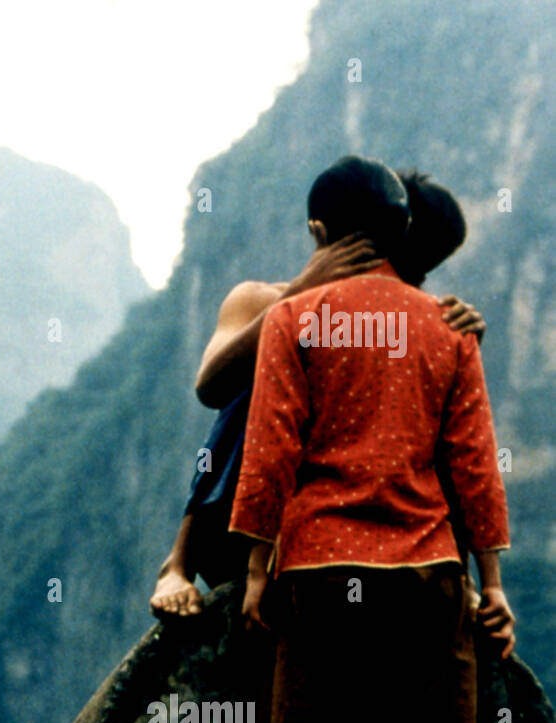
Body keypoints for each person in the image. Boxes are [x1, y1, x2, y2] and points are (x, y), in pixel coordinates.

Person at [221, 155, 515, 723]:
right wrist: (493, 590)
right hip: (428, 575)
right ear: (403, 232)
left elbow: (271, 450)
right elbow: (475, 468)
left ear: (320, 231)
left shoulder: (295, 317)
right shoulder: (448, 329)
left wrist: (257, 569)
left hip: (320, 570)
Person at [150, 172, 487, 618]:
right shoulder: (259, 299)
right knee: (266, 370)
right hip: (245, 525)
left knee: (440, 407)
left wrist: (456, 344)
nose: (412, 281)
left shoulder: (412, 325)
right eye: (406, 261)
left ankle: (457, 573)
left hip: (365, 525)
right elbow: (210, 387)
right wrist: (296, 297)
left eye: (425, 271)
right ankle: (179, 563)